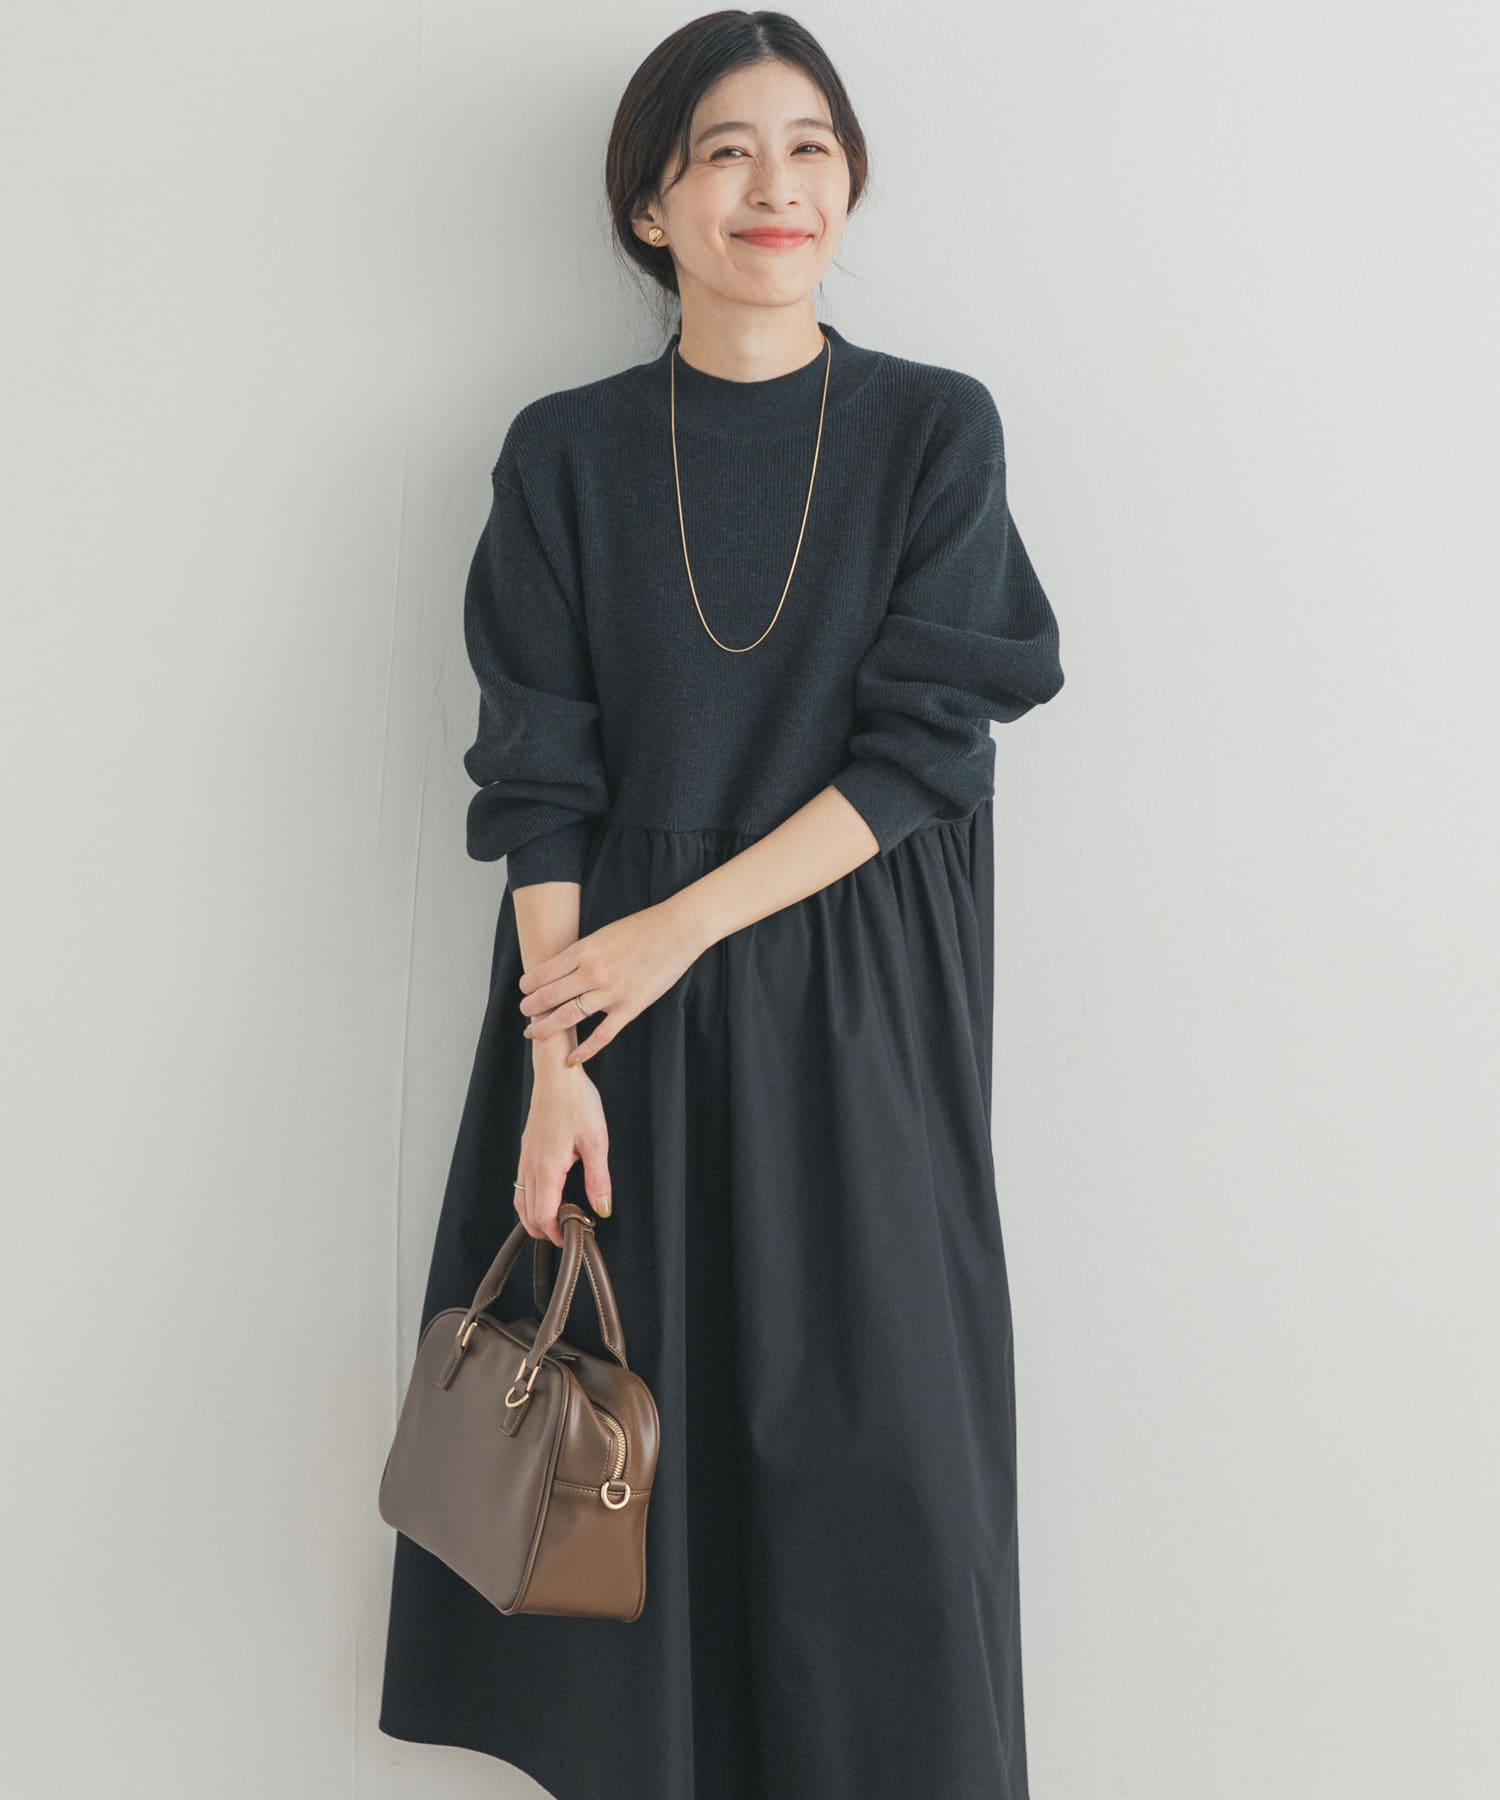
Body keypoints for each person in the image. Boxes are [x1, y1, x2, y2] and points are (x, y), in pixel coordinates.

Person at [379, 13, 1064, 1798]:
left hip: (860, 1014)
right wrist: (557, 1069)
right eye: (728, 152)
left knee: (886, 1492)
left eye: (812, 146)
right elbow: (539, 780)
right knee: (634, 1505)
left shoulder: (932, 429)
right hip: (611, 1033)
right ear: (651, 205)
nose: (778, 186)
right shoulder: (567, 455)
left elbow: (928, 752)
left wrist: (680, 928)